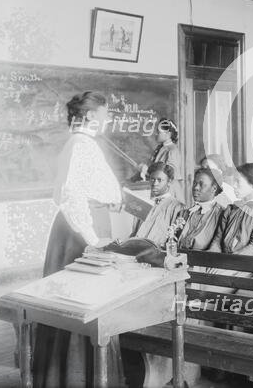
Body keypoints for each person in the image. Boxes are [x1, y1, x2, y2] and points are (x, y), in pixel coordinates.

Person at [34, 91, 124, 387]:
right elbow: (71, 195)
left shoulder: (82, 144)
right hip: (80, 234)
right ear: (89, 116)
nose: (108, 119)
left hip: (86, 226)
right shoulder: (81, 145)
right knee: (80, 305)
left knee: (86, 303)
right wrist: (91, 238)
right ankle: (76, 379)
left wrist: (109, 200)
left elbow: (85, 188)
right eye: (104, 113)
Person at [203, 163, 253, 294]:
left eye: (238, 182)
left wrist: (226, 264)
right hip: (223, 261)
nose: (234, 186)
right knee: (194, 280)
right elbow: (217, 241)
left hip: (246, 265)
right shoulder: (231, 208)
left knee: (208, 289)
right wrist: (212, 261)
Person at [133, 162, 185, 247]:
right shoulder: (145, 203)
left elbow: (175, 239)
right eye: (152, 179)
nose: (155, 183)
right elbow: (135, 232)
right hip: (136, 249)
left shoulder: (177, 207)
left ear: (169, 182)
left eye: (160, 180)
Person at [177, 168, 225, 251]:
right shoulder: (184, 213)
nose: (196, 187)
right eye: (194, 183)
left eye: (201, 184)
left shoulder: (222, 215)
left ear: (214, 188)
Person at [140, 118, 184, 202]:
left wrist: (148, 170)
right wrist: (145, 169)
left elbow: (170, 173)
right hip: (159, 187)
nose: (156, 134)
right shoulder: (160, 148)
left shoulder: (172, 150)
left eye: (158, 132)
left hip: (169, 190)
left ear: (168, 134)